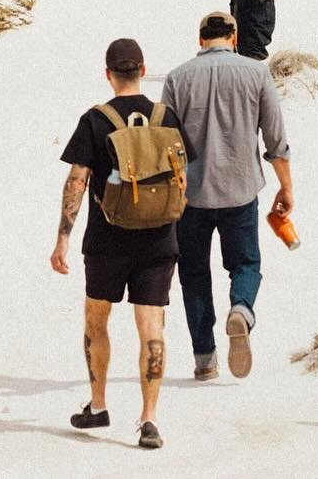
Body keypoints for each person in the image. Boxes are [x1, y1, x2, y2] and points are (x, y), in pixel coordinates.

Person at [51, 38, 194, 450]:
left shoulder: (95, 120)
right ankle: (149, 419)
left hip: (106, 241)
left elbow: (77, 181)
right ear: (143, 68)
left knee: (97, 322)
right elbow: (182, 177)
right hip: (159, 240)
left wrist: (62, 237)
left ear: (108, 73)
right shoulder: (166, 117)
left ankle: (98, 405)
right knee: (152, 327)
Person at [160, 11, 292, 382]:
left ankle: (204, 359)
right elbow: (275, 139)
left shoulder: (177, 78)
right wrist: (286, 186)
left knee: (194, 274)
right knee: (246, 264)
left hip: (191, 195)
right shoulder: (256, 73)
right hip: (240, 189)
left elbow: (165, 143)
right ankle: (242, 310)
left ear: (200, 40)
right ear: (234, 36)